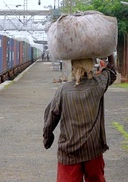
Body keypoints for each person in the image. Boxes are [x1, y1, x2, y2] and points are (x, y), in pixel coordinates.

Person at [43, 54, 116, 182]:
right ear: (91, 66)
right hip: (93, 149)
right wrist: (109, 53)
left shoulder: (63, 91)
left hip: (69, 153)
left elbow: (51, 116)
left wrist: (47, 138)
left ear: (72, 66)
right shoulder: (98, 85)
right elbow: (112, 71)